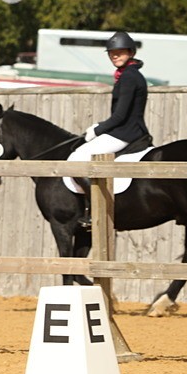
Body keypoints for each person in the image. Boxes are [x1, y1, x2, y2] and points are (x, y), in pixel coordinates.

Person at [63, 30, 149, 229]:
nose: (115, 55)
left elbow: (119, 116)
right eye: (112, 53)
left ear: (130, 52)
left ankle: (96, 210)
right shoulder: (128, 74)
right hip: (127, 129)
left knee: (76, 160)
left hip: (126, 132)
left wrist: (97, 129)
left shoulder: (129, 77)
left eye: (120, 52)